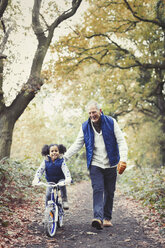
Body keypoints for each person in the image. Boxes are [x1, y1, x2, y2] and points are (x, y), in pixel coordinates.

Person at [64, 100, 128, 229]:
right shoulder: (85, 126)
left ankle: (107, 217)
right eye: (89, 113)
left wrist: (123, 159)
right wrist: (64, 157)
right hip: (95, 164)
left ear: (100, 110)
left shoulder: (111, 122)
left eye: (94, 112)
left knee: (110, 191)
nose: (92, 115)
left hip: (111, 163)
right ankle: (97, 218)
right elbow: (77, 144)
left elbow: (121, 141)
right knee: (98, 189)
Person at [32, 143, 72, 210]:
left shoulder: (61, 161)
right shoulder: (46, 161)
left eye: (56, 151)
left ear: (59, 152)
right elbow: (40, 170)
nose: (54, 153)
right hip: (50, 181)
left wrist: (68, 178)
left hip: (60, 179)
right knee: (48, 194)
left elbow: (66, 170)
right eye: (52, 151)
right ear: (48, 152)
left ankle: (64, 200)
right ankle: (47, 208)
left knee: (62, 186)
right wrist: (36, 178)